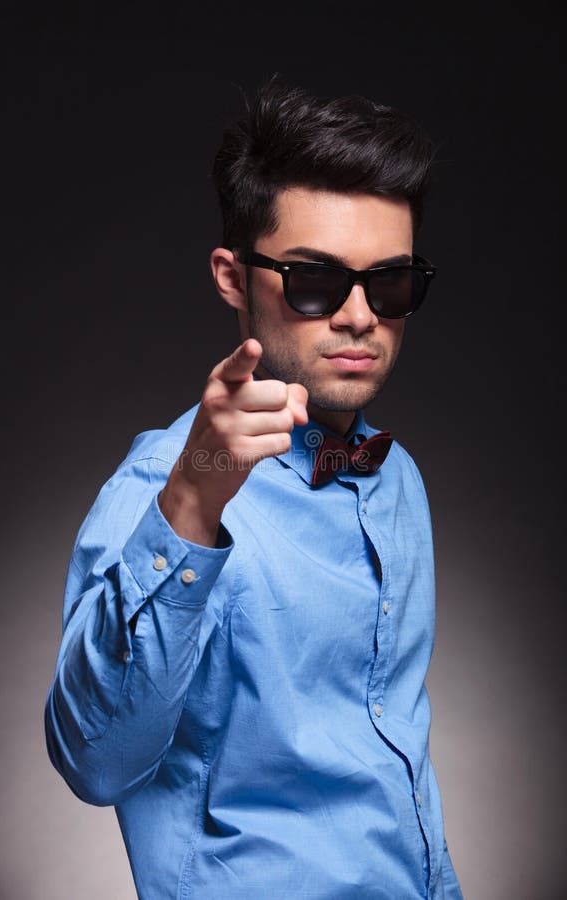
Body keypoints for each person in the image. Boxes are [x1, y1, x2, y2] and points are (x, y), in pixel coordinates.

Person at [44, 75, 463, 899]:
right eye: (313, 279)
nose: (358, 315)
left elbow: (395, 762)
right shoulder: (161, 488)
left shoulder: (397, 479)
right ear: (234, 279)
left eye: (391, 284)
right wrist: (194, 506)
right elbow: (95, 763)